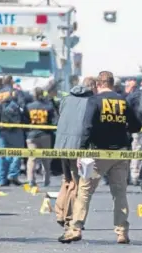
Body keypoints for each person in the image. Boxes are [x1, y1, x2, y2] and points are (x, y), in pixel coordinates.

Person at [58, 71, 141, 244]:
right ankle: (122, 231)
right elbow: (136, 126)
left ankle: (76, 228)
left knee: (85, 191)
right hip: (120, 152)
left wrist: (81, 151)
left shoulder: (94, 101)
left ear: (98, 84)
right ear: (112, 84)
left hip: (98, 153)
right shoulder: (123, 101)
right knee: (119, 193)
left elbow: (87, 126)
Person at [54, 78, 95, 228]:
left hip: (62, 145)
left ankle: (60, 213)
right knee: (77, 183)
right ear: (93, 87)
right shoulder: (91, 101)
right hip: (77, 145)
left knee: (66, 181)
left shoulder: (66, 99)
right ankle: (70, 217)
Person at [0, 75, 26, 186]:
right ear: (11, 81)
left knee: (1, 154)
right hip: (15, 128)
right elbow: (23, 108)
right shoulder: (16, 92)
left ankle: (2, 179)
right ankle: (12, 175)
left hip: (0, 128)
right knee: (17, 151)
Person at [25, 87, 56, 187]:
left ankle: (30, 179)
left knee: (32, 158)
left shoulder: (28, 106)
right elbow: (53, 120)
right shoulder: (48, 106)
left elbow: (24, 120)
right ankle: (46, 179)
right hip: (45, 134)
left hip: (32, 135)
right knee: (46, 158)